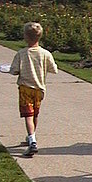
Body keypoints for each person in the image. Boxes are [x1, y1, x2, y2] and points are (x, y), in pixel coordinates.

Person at [9, 22, 58, 157]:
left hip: (25, 88)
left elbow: (14, 70)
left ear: (25, 37)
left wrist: (11, 70)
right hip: (39, 89)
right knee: (35, 114)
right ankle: (31, 136)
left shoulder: (21, 54)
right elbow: (54, 69)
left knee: (28, 116)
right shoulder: (45, 53)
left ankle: (32, 141)